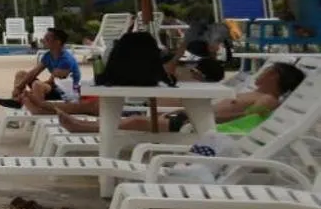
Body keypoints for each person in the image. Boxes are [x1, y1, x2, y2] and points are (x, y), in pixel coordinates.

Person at [45, 61, 305, 135]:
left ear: (277, 79)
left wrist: (198, 116)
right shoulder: (258, 93)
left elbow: (242, 117)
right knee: (135, 118)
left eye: (269, 71)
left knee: (136, 122)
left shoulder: (269, 100)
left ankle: (82, 127)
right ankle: (82, 124)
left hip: (204, 127)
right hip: (198, 119)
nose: (263, 72)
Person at [1, 28, 83, 110]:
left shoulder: (66, 60)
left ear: (57, 42)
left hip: (65, 92)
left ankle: (38, 108)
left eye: (47, 39)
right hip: (54, 87)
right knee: (21, 74)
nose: (43, 40)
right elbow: (34, 72)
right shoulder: (48, 55)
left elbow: (53, 83)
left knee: (37, 85)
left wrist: (29, 93)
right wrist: (19, 88)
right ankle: (16, 101)